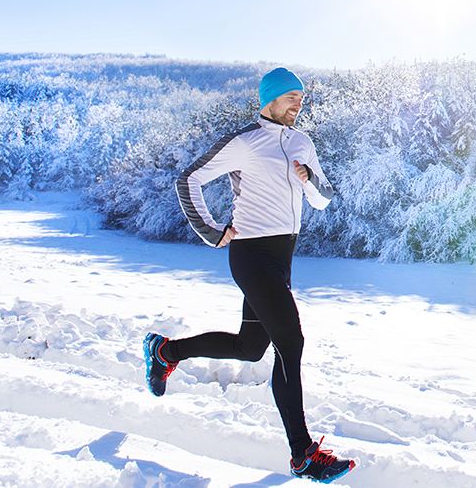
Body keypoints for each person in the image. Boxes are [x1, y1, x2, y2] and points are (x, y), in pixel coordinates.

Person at [143, 67, 354, 483]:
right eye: (291, 96)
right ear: (269, 99)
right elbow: (189, 180)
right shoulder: (246, 142)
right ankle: (303, 454)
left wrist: (309, 177)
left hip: (281, 257)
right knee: (289, 342)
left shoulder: (302, 143)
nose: (299, 103)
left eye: (302, 97)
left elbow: (324, 199)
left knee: (250, 347)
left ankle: (166, 352)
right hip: (251, 254)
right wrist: (212, 231)